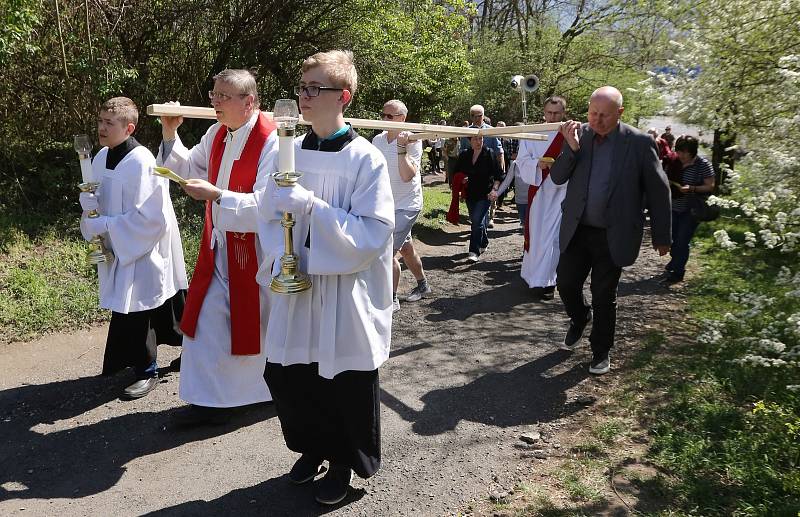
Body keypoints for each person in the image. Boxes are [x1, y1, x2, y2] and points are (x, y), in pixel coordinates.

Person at [255, 50, 394, 505]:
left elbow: (373, 233)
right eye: (302, 86)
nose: (304, 96)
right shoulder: (287, 149)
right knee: (292, 375)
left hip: (342, 291)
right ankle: (312, 448)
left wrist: (313, 208)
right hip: (298, 286)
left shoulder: (365, 159)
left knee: (342, 382)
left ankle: (342, 464)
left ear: (344, 97)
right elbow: (268, 214)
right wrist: (282, 256)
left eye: (315, 88)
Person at [157, 69, 278, 425]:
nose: (215, 102)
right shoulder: (217, 133)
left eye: (224, 96)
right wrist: (170, 131)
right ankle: (211, 400)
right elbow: (189, 165)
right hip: (220, 246)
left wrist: (218, 196)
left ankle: (252, 395)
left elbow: (269, 203)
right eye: (214, 95)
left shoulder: (271, 140)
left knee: (252, 327)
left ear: (249, 101)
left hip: (254, 252)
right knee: (207, 321)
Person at [550, 86, 671, 375]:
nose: (597, 120)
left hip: (613, 233)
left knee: (604, 294)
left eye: (604, 115)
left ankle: (600, 350)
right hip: (578, 230)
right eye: (593, 113)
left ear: (620, 113)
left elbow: (658, 190)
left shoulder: (639, 143)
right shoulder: (580, 134)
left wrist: (662, 236)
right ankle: (580, 317)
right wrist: (572, 148)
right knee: (566, 284)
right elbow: (557, 177)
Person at [79, 97, 187, 400]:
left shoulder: (141, 162)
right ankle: (181, 354)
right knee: (152, 305)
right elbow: (98, 196)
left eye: (108, 123)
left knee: (142, 306)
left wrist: (109, 225)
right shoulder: (101, 157)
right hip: (121, 244)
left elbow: (151, 218)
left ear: (129, 127)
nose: (101, 128)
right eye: (100, 121)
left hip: (144, 245)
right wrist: (89, 207)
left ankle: (147, 370)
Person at [372, 100, 432, 311]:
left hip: (407, 205)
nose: (384, 119)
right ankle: (423, 285)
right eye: (383, 115)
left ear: (402, 119)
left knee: (387, 252)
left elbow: (407, 175)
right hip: (386, 203)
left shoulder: (413, 140)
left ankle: (392, 298)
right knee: (406, 249)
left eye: (390, 116)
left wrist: (400, 147)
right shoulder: (377, 140)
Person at [515, 96, 569, 301]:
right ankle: (534, 277)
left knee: (554, 239)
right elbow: (521, 161)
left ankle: (550, 282)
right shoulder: (532, 132)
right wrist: (538, 164)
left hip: (562, 193)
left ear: (563, 113)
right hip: (539, 191)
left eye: (556, 113)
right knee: (537, 237)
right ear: (544, 112)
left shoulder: (571, 132)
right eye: (549, 112)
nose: (552, 117)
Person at [663, 135, 715, 284]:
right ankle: (675, 260)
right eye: (679, 151)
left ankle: (678, 271)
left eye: (685, 152)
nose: (682, 155)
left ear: (693, 152)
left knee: (682, 240)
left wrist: (692, 188)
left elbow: (710, 185)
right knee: (672, 239)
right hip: (672, 207)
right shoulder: (672, 161)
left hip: (691, 210)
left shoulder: (702, 164)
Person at [456, 135, 503, 263]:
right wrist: (462, 180)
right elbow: (457, 172)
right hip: (470, 194)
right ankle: (484, 242)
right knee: (477, 221)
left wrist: (494, 190)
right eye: (475, 139)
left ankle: (473, 251)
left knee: (476, 221)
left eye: (481, 139)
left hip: (485, 194)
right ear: (469, 141)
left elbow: (498, 174)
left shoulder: (489, 153)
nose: (478, 142)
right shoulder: (465, 155)